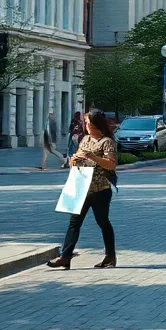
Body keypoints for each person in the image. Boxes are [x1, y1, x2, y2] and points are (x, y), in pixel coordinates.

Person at [47, 108, 117, 270]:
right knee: (74, 223)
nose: (85, 125)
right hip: (81, 187)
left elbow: (111, 164)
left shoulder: (106, 142)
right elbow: (76, 159)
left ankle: (110, 256)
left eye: (87, 122)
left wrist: (93, 157)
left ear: (94, 124)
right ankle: (65, 257)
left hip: (100, 189)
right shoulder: (85, 140)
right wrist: (73, 160)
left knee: (103, 222)